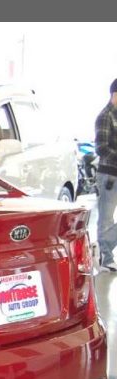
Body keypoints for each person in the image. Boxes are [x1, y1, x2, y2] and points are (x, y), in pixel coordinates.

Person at [95, 78, 117, 271]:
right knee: (106, 218)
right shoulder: (105, 116)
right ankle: (105, 258)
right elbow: (101, 148)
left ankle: (105, 248)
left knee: (108, 221)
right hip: (109, 176)